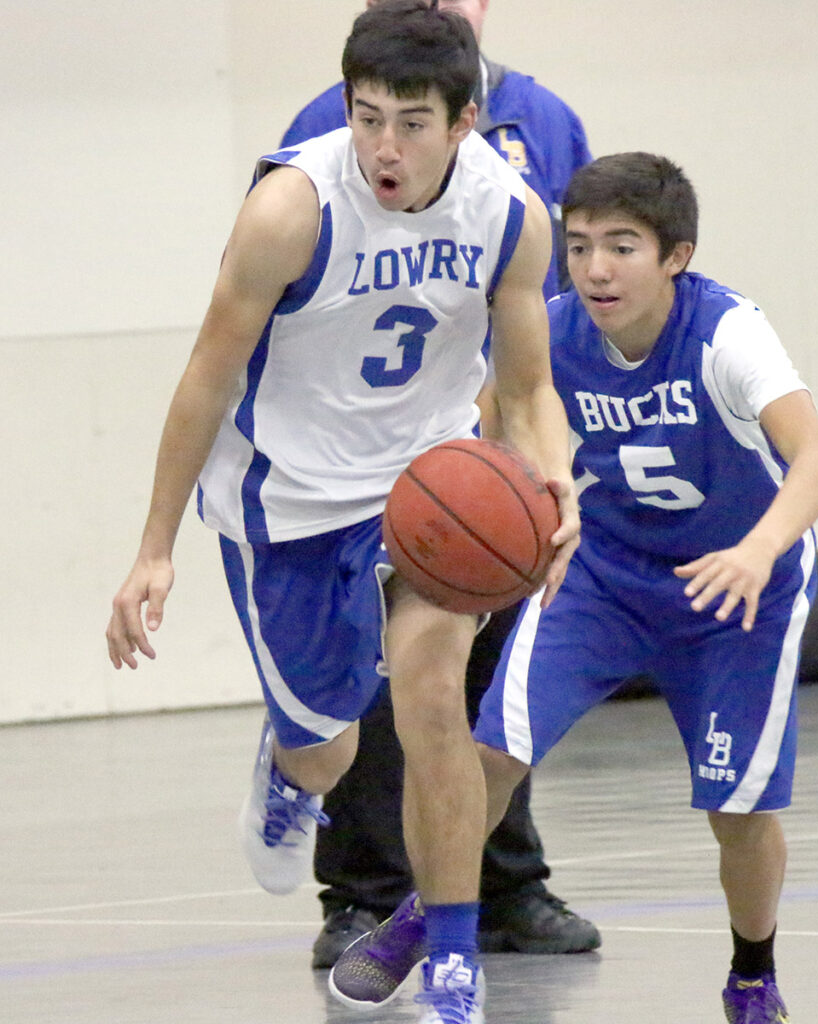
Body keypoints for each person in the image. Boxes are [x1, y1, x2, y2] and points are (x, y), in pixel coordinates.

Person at [105, 3, 580, 1022]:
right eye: (366, 118)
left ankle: (451, 961)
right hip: (292, 499)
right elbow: (207, 375)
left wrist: (552, 479)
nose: (383, 147)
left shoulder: (509, 216)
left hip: (430, 487)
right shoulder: (292, 209)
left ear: (464, 122)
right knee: (331, 749)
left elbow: (529, 386)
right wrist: (153, 548)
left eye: (411, 123)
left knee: (435, 705)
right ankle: (291, 768)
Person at [326, 152, 818, 1024]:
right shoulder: (552, 330)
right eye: (577, 247)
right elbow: (484, 437)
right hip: (601, 573)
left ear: (674, 256)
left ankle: (751, 977)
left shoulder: (727, 335)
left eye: (620, 246)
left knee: (737, 810)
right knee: (491, 756)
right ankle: (430, 914)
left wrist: (757, 551)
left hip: (732, 592)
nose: (595, 268)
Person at [280, 0, 600, 969]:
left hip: (490, 449)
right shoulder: (330, 123)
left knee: (494, 684)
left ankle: (506, 883)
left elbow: (556, 287)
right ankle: (361, 894)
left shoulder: (543, 117)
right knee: (385, 685)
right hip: (365, 452)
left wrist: (546, 448)